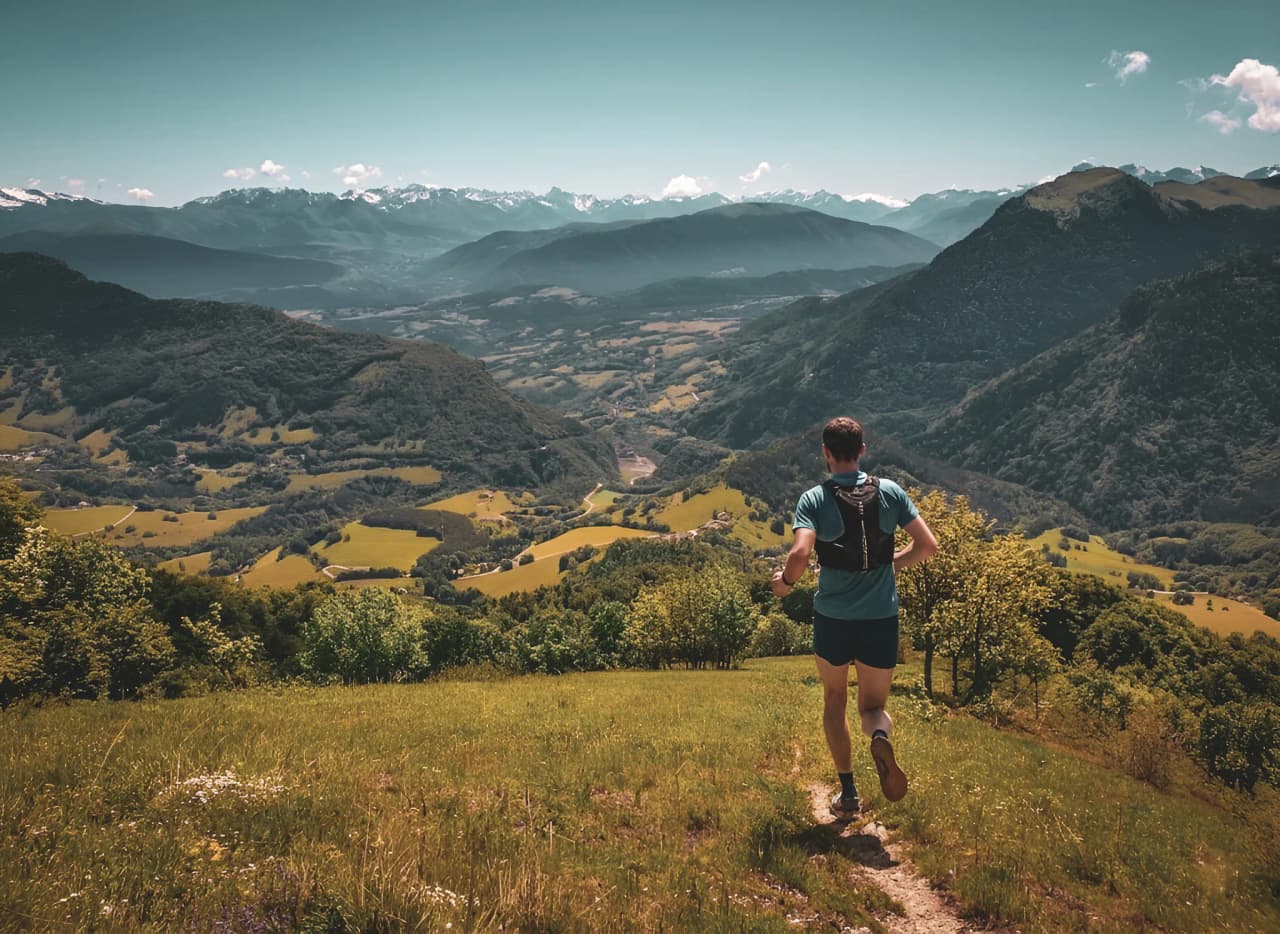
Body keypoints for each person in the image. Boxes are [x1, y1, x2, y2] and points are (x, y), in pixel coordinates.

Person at [771, 417, 937, 819]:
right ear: (862, 449)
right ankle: (880, 734)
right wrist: (890, 565)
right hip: (880, 618)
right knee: (872, 707)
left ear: (826, 453)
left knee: (835, 699)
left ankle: (848, 794)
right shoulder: (891, 492)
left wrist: (785, 584)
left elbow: (800, 553)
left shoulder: (814, 499)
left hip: (834, 619)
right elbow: (927, 546)